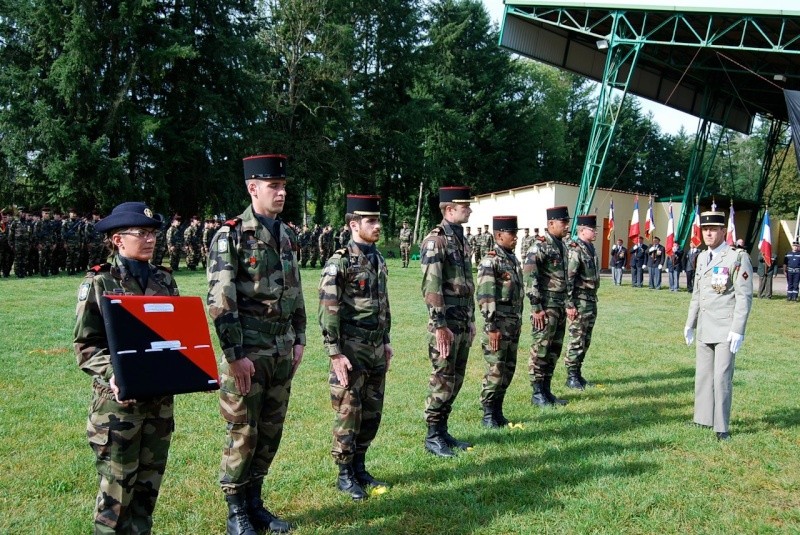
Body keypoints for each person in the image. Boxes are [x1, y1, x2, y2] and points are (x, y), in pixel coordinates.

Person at [207, 154, 305, 535]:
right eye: (273, 186)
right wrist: (235, 356)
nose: (280, 193)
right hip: (249, 352)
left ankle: (255, 500)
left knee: (270, 430)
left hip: (281, 351)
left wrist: (299, 340)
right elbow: (220, 300)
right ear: (253, 188)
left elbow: (295, 291)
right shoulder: (231, 235)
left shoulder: (286, 234)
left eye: (283, 186)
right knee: (243, 430)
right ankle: (236, 511)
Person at [73, 202, 179, 533]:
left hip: (159, 404)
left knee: (147, 490)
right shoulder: (101, 283)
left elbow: (174, 335)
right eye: (142, 233)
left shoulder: (164, 280)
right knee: (117, 494)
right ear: (118, 240)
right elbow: (86, 345)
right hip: (118, 408)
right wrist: (112, 372)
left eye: (153, 233)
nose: (151, 240)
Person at [319, 194, 392, 500]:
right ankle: (345, 474)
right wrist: (334, 352)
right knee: (349, 412)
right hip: (351, 350)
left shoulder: (377, 259)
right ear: (353, 224)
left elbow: (383, 304)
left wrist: (386, 341)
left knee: (372, 413)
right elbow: (328, 309)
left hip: (375, 347)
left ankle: (360, 465)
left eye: (377, 221)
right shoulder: (340, 262)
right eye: (370, 221)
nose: (377, 226)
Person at [684, 210, 753, 440]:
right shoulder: (702, 257)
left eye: (713, 229)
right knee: (703, 375)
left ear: (724, 231)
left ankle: (721, 426)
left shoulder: (737, 257)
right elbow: (697, 294)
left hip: (725, 328)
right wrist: (690, 324)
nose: (709, 233)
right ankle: (703, 418)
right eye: (705, 229)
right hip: (705, 326)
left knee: (721, 377)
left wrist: (738, 329)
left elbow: (744, 297)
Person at [420, 186, 475, 458]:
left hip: (463, 320)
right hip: (446, 323)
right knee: (443, 377)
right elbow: (432, 287)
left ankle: (443, 430)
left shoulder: (461, 239)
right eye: (465, 206)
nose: (470, 210)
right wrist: (440, 326)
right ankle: (432, 435)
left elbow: (469, 284)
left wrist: (472, 319)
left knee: (457, 378)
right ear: (449, 209)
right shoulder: (436, 240)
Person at [476, 216, 524, 428]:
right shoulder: (490, 261)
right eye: (511, 234)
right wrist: (491, 327)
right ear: (498, 235)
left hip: (513, 323)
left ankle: (497, 410)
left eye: (516, 233)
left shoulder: (511, 259)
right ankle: (487, 413)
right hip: (498, 325)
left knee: (508, 368)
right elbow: (486, 297)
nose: (516, 238)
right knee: (496, 369)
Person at [524, 205, 570, 407]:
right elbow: (529, 275)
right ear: (551, 223)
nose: (567, 226)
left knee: (554, 349)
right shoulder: (539, 246)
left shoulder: (562, 245)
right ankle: (537, 393)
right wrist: (536, 307)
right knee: (541, 348)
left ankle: (546, 389)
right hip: (546, 306)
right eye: (563, 222)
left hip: (559, 305)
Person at [564, 214, 600, 390]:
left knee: (586, 339)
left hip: (591, 300)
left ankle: (578, 373)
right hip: (579, 301)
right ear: (582, 230)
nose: (595, 232)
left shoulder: (590, 248)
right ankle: (571, 375)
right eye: (593, 229)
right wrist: (569, 304)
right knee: (577, 339)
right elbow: (568, 279)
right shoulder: (575, 249)